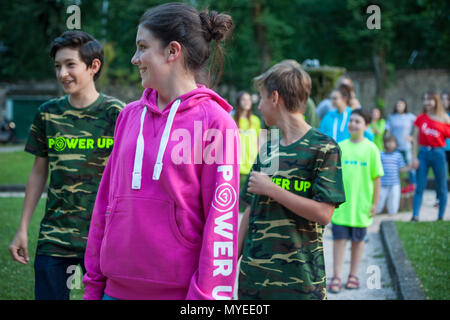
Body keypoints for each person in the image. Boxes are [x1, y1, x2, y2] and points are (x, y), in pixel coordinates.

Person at [82, 3, 240, 300]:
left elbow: (221, 224)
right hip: (114, 293)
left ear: (172, 51)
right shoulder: (128, 116)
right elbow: (104, 203)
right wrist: (93, 286)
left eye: (142, 48)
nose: (134, 58)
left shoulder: (217, 124)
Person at [7, 31, 125, 300]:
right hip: (54, 238)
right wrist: (23, 228)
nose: (62, 74)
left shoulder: (117, 113)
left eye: (70, 64)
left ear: (93, 66)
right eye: (58, 66)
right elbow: (39, 172)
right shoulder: (48, 112)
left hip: (103, 239)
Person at [238, 60, 346, 300]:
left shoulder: (324, 148)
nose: (259, 106)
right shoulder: (268, 148)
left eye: (262, 98)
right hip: (254, 282)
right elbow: (250, 209)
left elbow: (323, 214)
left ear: (275, 98)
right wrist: (229, 262)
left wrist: (272, 189)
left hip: (301, 283)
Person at [328, 108, 383, 293]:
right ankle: (336, 276)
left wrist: (375, 204)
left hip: (361, 207)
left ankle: (353, 275)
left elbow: (377, 179)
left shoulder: (372, 149)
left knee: (358, 243)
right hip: (341, 207)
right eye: (351, 120)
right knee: (338, 241)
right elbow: (333, 176)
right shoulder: (340, 146)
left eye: (358, 121)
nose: (353, 124)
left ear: (366, 126)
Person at [410, 91, 450, 222]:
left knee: (442, 186)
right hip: (423, 153)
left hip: (439, 153)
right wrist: (414, 157)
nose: (427, 102)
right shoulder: (420, 118)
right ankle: (415, 215)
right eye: (425, 99)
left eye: (430, 99)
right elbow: (415, 139)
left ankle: (440, 217)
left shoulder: (444, 118)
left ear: (436, 101)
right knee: (419, 185)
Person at [234, 91, 261, 212]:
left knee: (248, 194)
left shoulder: (255, 120)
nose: (247, 102)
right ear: (238, 102)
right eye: (244, 100)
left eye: (249, 100)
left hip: (251, 161)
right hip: (236, 161)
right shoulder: (231, 118)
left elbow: (259, 141)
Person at [385, 99, 416, 185]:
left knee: (411, 167)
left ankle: (413, 185)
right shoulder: (391, 117)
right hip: (395, 147)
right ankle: (396, 185)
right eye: (398, 104)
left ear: (405, 106)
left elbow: (418, 129)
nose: (399, 106)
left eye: (401, 104)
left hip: (407, 146)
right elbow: (388, 132)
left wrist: (413, 137)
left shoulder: (411, 117)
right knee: (394, 167)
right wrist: (387, 143)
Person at [376, 135, 410, 215]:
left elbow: (401, 168)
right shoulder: (380, 154)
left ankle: (392, 215)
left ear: (395, 144)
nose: (390, 144)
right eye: (388, 142)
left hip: (394, 184)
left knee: (394, 200)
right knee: (379, 200)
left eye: (392, 142)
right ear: (384, 143)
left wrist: (409, 168)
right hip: (382, 183)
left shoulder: (398, 155)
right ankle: (376, 213)